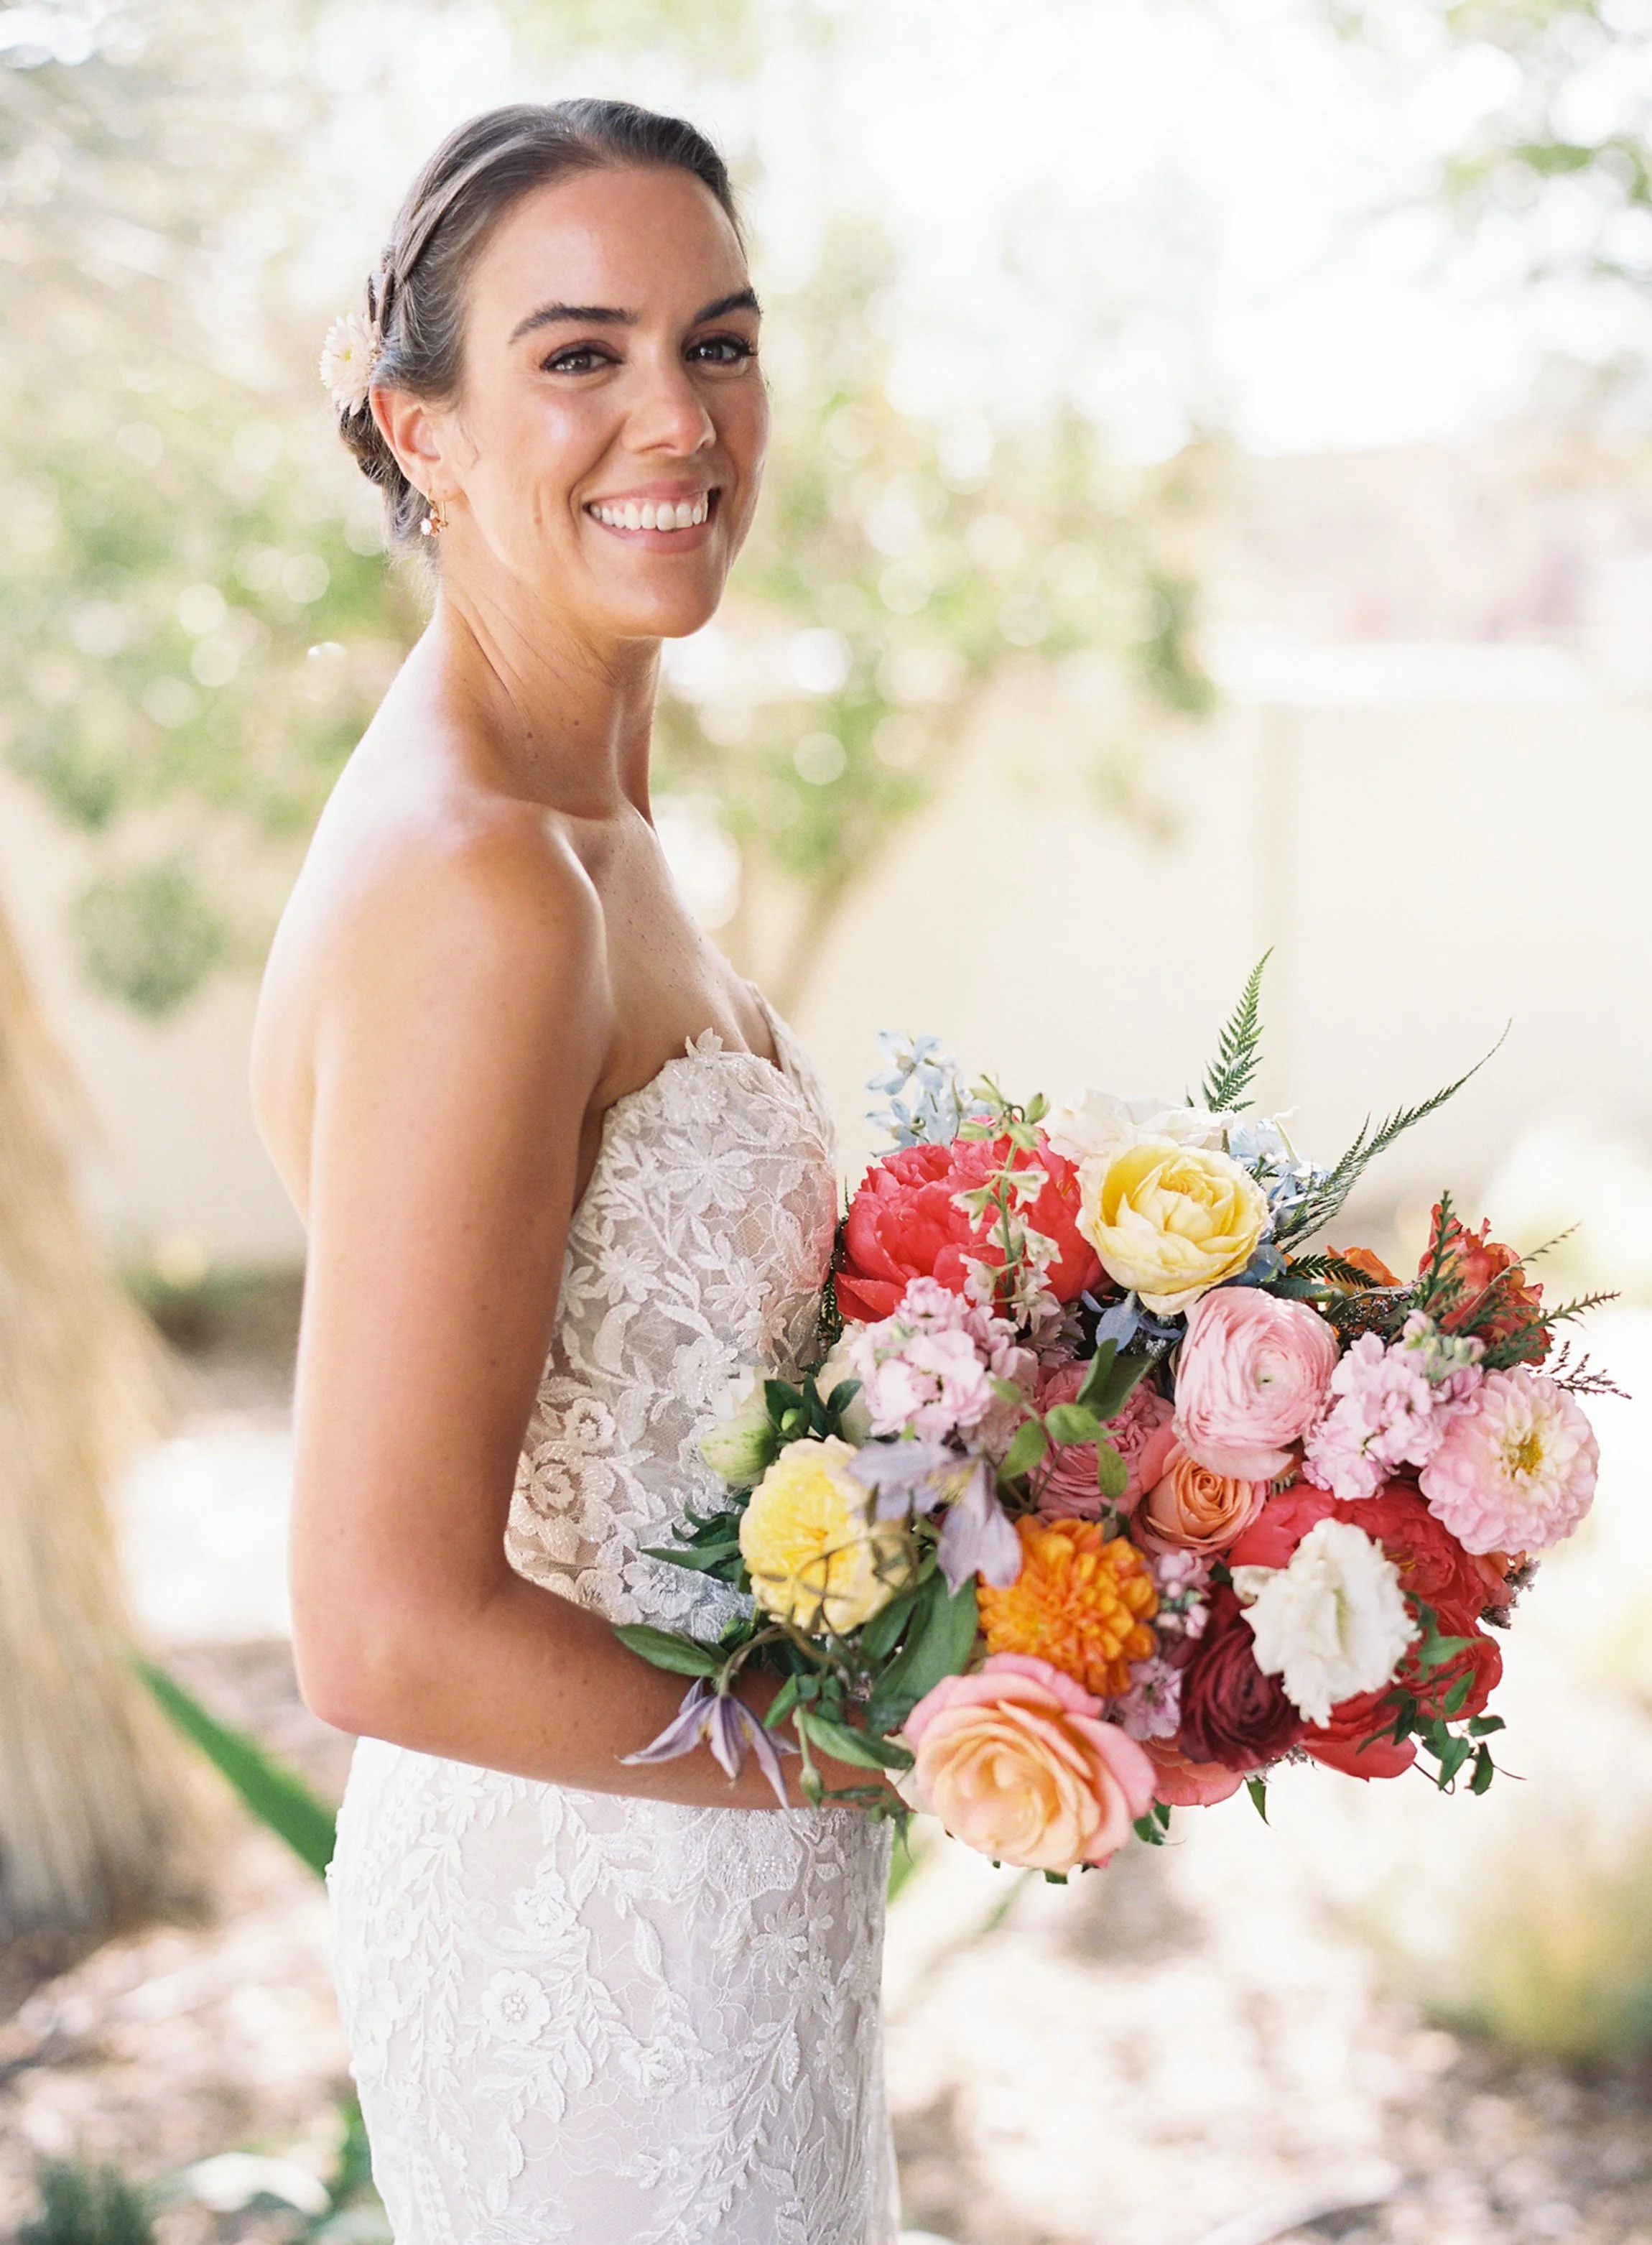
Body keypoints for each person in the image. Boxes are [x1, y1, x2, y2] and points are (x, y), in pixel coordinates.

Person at [251, 98, 896, 2245]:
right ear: (415, 424)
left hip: (728, 1927)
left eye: (717, 341)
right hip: (596, 1964)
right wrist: (880, 1741)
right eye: (578, 354)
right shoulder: (483, 892)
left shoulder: (595, 826)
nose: (677, 417)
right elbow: (379, 1626)